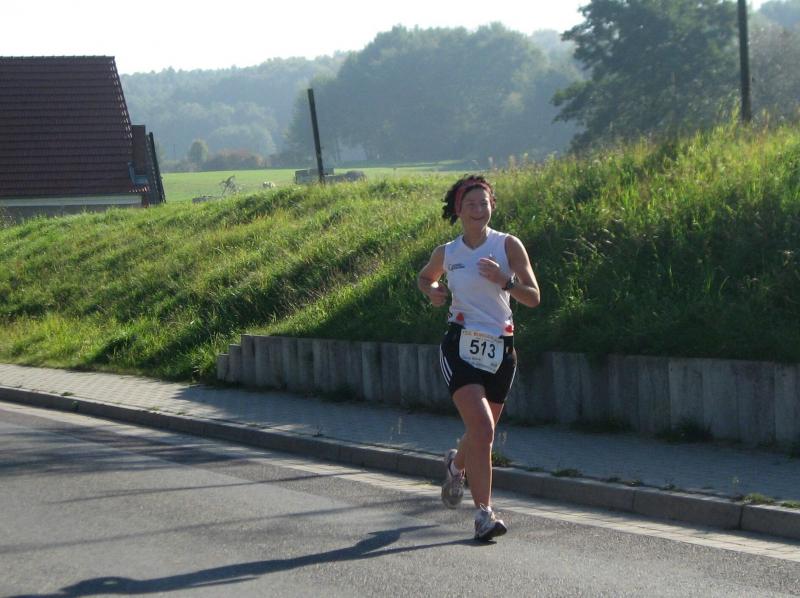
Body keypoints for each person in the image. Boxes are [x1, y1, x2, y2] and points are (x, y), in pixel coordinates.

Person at [417, 174, 540, 541]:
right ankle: (484, 515)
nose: (478, 210)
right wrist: (433, 291)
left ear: (492, 206)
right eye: (470, 204)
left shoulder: (508, 245)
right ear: (459, 210)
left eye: (484, 203)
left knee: (480, 432)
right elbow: (425, 278)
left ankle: (456, 466)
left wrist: (505, 280)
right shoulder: (447, 252)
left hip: (501, 349)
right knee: (484, 430)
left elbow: (533, 297)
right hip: (460, 345)